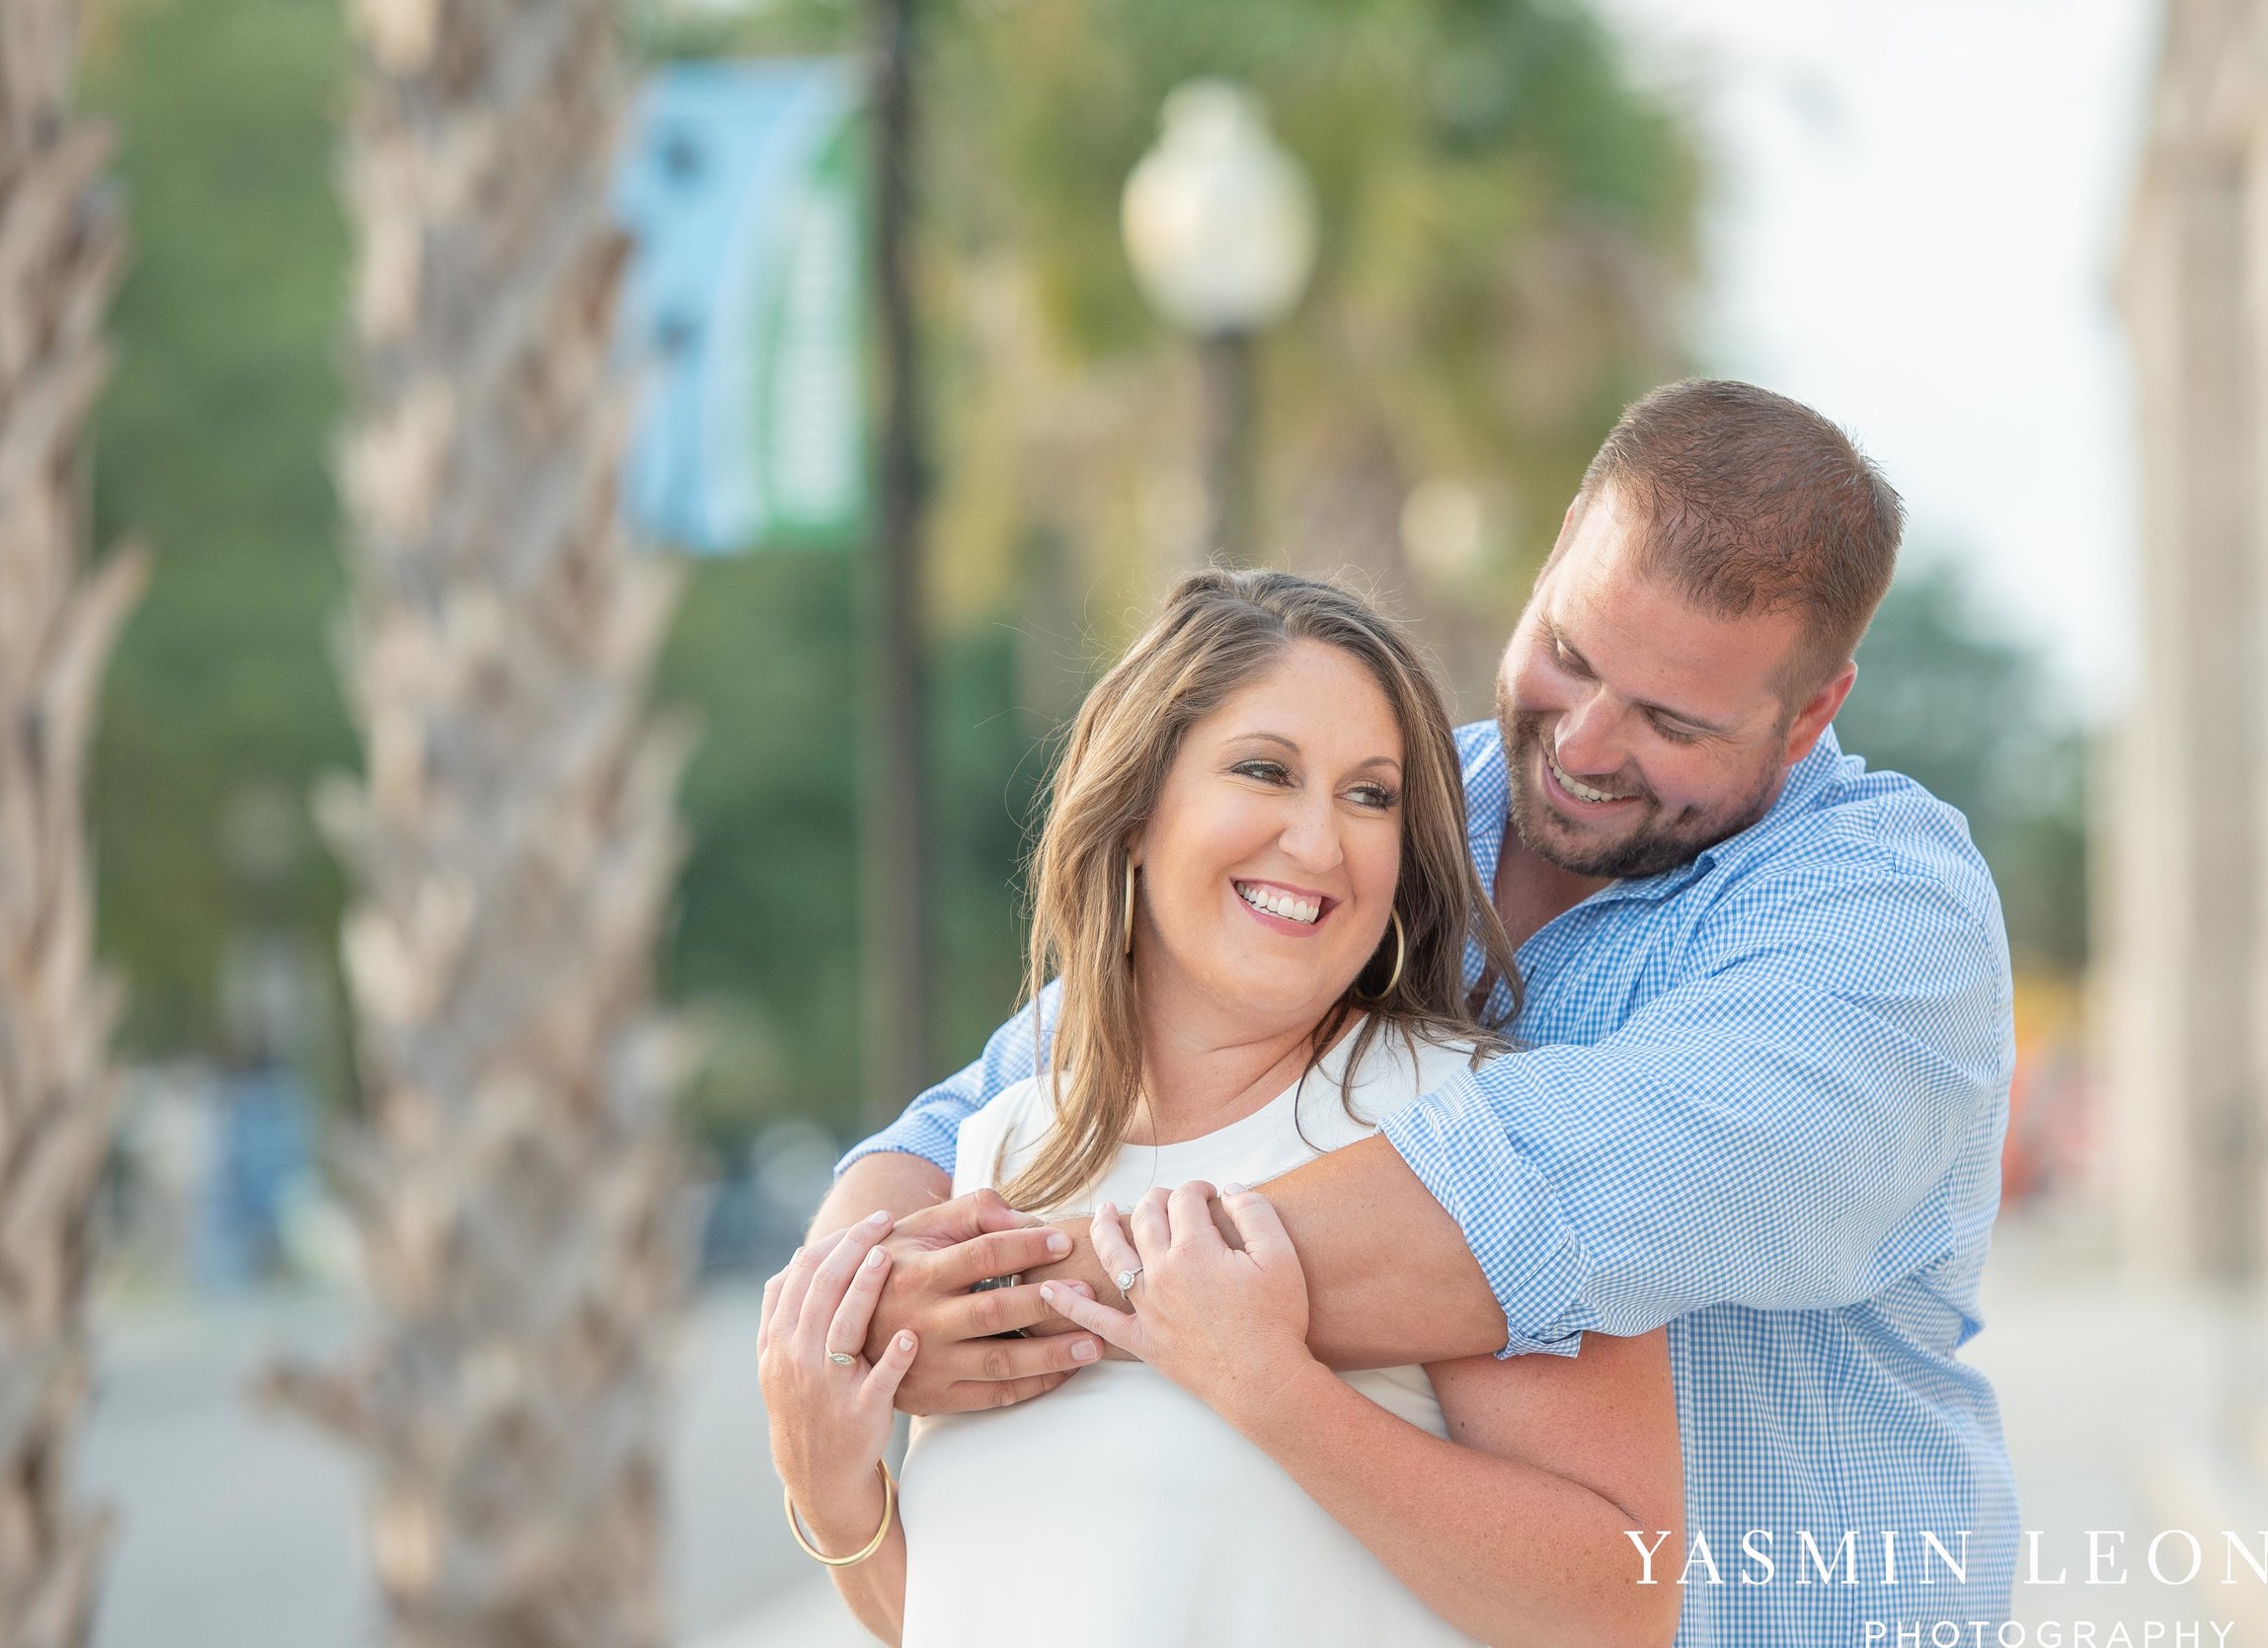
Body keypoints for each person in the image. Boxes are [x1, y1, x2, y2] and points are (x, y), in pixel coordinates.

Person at [814, 379, 2020, 1641]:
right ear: (1555, 553)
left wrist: (1019, 1296)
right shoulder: (1382, 808)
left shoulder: (1886, 921)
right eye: (1569, 651)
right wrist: (854, 1313)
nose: (1589, 744)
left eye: (1671, 720)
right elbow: (1007, 1095)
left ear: (1810, 712)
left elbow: (1539, 1197)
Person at [758, 571, 1685, 1646]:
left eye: (1369, 794)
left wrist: (1277, 1393)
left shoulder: (1467, 1127)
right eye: (1265, 771)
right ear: (1139, 811)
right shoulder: (1001, 1154)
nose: (1319, 840)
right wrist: (829, 1488)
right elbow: (965, 1606)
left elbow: (1626, 1597)